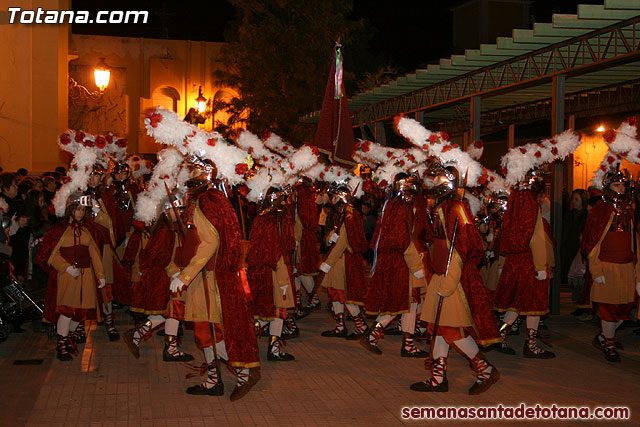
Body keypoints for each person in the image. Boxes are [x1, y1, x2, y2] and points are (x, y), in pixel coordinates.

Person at [168, 155, 261, 400]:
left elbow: (211, 242)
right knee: (204, 331)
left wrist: (185, 276)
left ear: (205, 174)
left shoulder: (205, 201)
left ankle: (242, 372)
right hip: (208, 275)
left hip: (208, 277)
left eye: (194, 171)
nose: (189, 176)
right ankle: (214, 379)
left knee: (210, 331)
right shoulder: (213, 198)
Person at [411, 161, 500, 394]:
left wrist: (449, 282)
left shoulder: (456, 209)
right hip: (441, 275)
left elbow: (461, 248)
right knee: (439, 328)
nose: (434, 183)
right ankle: (438, 378)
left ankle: (486, 370)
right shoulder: (442, 208)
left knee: (452, 331)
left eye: (440, 179)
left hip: (453, 279)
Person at [361, 173, 429, 357]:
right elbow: (404, 240)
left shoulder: (393, 205)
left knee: (408, 303)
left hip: (398, 261)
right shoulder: (402, 207)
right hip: (404, 262)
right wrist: (417, 266)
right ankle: (377, 336)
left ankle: (403, 343)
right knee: (405, 301)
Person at [36, 193, 105, 361]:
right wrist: (65, 267)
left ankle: (69, 339)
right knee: (66, 311)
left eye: (83, 210)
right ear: (70, 209)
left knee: (80, 313)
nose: (80, 213)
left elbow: (94, 253)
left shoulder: (87, 229)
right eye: (78, 209)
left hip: (86, 276)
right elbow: (49, 253)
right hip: (66, 277)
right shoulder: (58, 229)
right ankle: (62, 346)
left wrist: (100, 275)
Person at [582, 168, 637, 362]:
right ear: (608, 186)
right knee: (608, 309)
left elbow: (635, 241)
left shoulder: (630, 209)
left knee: (624, 309)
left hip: (627, 266)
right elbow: (592, 241)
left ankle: (605, 336)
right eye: (616, 184)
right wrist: (596, 269)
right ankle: (608, 341)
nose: (621, 188)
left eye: (623, 184)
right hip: (607, 265)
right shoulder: (601, 209)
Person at [247, 185, 297, 361]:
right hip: (274, 272)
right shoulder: (274, 220)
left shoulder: (261, 218)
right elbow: (276, 252)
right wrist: (284, 280)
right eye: (282, 199)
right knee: (277, 310)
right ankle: (269, 349)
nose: (285, 203)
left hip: (261, 271)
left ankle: (269, 346)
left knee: (269, 310)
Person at [317, 182, 369, 340]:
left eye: (333, 196)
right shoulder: (339, 213)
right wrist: (329, 238)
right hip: (337, 261)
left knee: (344, 294)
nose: (331, 199)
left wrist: (328, 263)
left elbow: (342, 243)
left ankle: (361, 326)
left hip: (344, 260)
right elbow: (331, 239)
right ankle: (340, 326)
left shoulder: (349, 214)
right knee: (334, 294)